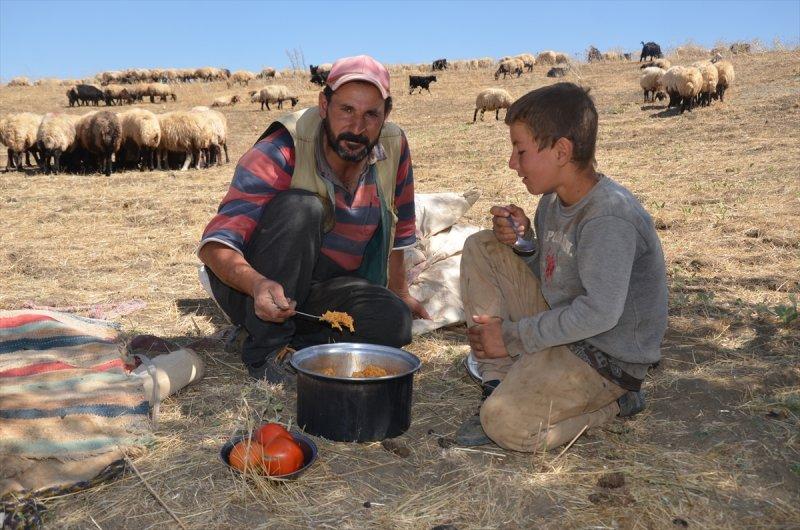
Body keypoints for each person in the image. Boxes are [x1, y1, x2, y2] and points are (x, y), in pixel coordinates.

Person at [457, 83, 668, 451]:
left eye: (520, 150)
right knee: (482, 245)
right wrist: (524, 244)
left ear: (561, 151)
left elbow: (598, 313)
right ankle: (496, 381)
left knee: (504, 424)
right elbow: (555, 276)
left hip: (605, 358)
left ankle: (616, 403)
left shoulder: (608, 217)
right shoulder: (552, 202)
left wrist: (510, 336)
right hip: (566, 326)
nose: (512, 163)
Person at [198, 55, 429, 383]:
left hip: (324, 286)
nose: (357, 128)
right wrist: (257, 285)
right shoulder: (283, 148)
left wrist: (400, 293)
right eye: (346, 110)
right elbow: (215, 246)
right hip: (257, 284)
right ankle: (267, 348)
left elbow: (401, 223)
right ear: (324, 105)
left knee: (393, 322)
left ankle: (294, 342)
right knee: (303, 209)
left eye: (371, 114)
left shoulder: (393, 145)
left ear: (386, 114)